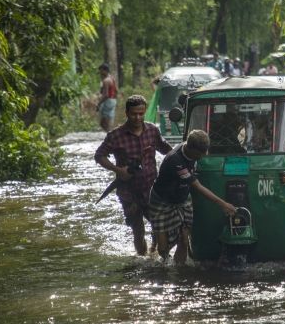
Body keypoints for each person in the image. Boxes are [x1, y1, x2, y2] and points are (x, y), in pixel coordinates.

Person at [95, 95, 173, 256]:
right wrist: (118, 170)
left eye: (141, 113)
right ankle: (142, 258)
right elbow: (99, 156)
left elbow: (167, 150)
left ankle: (154, 253)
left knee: (159, 226)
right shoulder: (115, 136)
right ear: (126, 113)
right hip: (128, 192)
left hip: (152, 190)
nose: (137, 117)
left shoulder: (152, 131)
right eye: (133, 114)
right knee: (138, 229)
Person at [149, 130, 237, 265]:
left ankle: (180, 269)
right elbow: (198, 187)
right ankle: (162, 256)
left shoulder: (191, 147)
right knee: (163, 249)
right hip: (162, 200)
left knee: (184, 239)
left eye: (205, 151)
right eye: (200, 154)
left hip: (183, 198)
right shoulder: (176, 161)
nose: (204, 156)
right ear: (190, 148)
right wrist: (223, 204)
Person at [97, 63, 118, 132]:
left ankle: (109, 135)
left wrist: (99, 104)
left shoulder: (106, 81)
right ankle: (110, 134)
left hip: (108, 101)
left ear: (104, 71)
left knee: (104, 123)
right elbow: (116, 90)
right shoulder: (112, 78)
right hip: (113, 100)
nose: (100, 73)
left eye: (100, 71)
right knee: (108, 121)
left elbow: (106, 95)